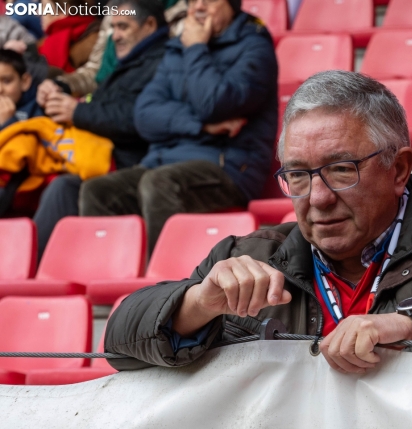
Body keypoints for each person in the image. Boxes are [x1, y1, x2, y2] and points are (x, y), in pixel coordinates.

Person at [104, 71, 412, 374]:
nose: (317, 198)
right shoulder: (244, 257)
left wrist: (406, 323)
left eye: (340, 170)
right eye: (296, 174)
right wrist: (195, 304)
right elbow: (119, 342)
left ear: (398, 169)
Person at [78, 0, 278, 255]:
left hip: (227, 167)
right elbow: (144, 116)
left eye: (210, 0)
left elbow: (214, 104)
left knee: (159, 182)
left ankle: (163, 287)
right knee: (98, 190)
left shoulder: (253, 45)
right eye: (193, 1)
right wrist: (200, 125)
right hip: (164, 161)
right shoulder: (176, 48)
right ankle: (109, 287)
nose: (199, 7)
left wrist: (196, 47)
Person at [30, 0, 170, 259]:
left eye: (123, 27)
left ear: (149, 25)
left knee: (66, 187)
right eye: (113, 27)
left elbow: (137, 118)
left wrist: (77, 112)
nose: (114, 35)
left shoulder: (162, 60)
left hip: (134, 160)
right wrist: (60, 90)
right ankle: (35, 275)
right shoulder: (130, 61)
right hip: (110, 157)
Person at [0, 49, 42, 130]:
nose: (0, 90)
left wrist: (8, 123)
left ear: (24, 82)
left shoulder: (39, 109)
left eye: (7, 81)